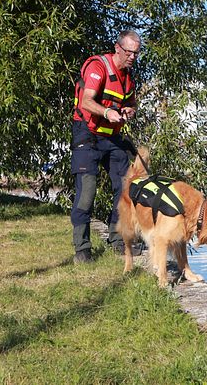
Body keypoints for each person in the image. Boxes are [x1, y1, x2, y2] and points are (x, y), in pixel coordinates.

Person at [70, 30, 140, 264]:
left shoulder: (128, 77)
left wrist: (130, 110)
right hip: (87, 135)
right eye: (129, 52)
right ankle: (82, 248)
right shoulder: (98, 67)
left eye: (136, 54)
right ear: (117, 48)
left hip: (112, 139)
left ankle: (118, 241)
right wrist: (108, 112)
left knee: (124, 189)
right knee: (87, 192)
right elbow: (86, 101)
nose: (132, 57)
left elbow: (131, 102)